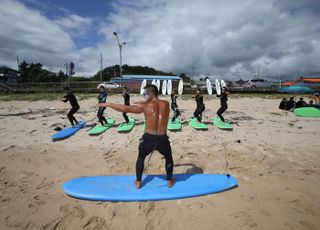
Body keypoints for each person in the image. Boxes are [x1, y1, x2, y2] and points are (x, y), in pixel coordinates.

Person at [98, 84, 174, 189]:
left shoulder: (145, 106)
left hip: (149, 139)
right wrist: (144, 102)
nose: (145, 96)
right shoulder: (166, 104)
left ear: (151, 93)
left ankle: (138, 182)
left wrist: (110, 104)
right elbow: (154, 104)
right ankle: (169, 180)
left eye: (146, 94)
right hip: (163, 139)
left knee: (141, 157)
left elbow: (126, 108)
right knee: (168, 158)